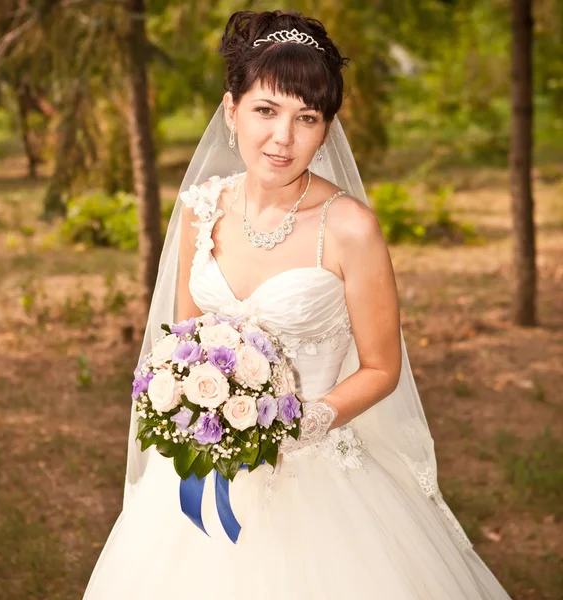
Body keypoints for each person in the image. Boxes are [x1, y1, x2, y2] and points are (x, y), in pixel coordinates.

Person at [83, 10, 512, 599]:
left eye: (306, 118)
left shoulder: (349, 228)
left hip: (317, 472)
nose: (283, 138)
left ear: (327, 128)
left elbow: (383, 367)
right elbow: (181, 339)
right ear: (232, 111)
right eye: (266, 110)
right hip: (206, 464)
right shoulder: (199, 209)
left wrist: (301, 422)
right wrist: (191, 401)